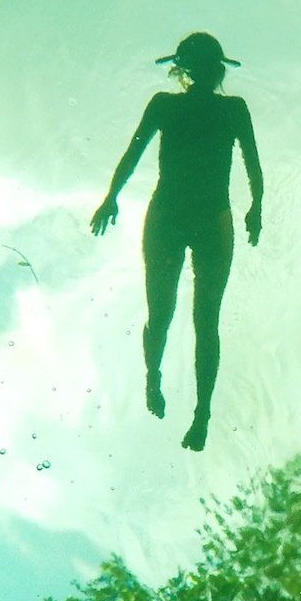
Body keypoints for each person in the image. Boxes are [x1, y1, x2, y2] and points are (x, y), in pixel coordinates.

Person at [92, 33, 263, 451]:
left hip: (169, 218)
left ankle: (157, 379)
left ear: (182, 69)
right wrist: (257, 206)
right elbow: (253, 165)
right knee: (205, 321)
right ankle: (200, 409)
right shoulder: (232, 108)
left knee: (162, 314)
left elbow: (131, 156)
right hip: (210, 221)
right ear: (219, 70)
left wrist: (112, 196)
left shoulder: (166, 105)